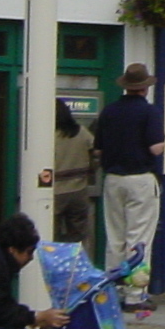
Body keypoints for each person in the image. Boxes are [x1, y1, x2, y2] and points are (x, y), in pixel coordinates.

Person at [95, 64, 165, 308]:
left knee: (115, 238)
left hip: (113, 179)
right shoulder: (150, 112)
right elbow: (155, 148)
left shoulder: (109, 112)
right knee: (139, 239)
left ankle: (112, 293)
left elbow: (98, 149)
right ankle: (135, 295)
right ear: (145, 88)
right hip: (141, 179)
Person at [52, 99, 96, 246]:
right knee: (78, 237)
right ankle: (75, 265)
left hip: (55, 193)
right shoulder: (81, 132)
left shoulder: (48, 135)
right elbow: (96, 151)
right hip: (78, 191)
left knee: (52, 236)